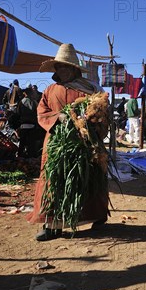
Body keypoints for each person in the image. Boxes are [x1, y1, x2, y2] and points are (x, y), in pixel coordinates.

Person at [26, 43, 109, 241]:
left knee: (88, 176)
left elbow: (101, 113)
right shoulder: (49, 91)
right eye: (58, 67)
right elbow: (41, 113)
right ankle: (52, 226)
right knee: (53, 179)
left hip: (84, 143)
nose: (61, 71)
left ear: (73, 69)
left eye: (65, 67)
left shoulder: (90, 90)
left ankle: (96, 216)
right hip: (56, 142)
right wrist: (58, 118)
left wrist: (89, 122)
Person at [17, 89, 40, 158]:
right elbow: (38, 112)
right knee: (31, 144)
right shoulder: (34, 102)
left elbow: (18, 113)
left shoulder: (21, 102)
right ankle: (31, 158)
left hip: (23, 126)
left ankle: (19, 156)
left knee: (22, 143)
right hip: (32, 125)